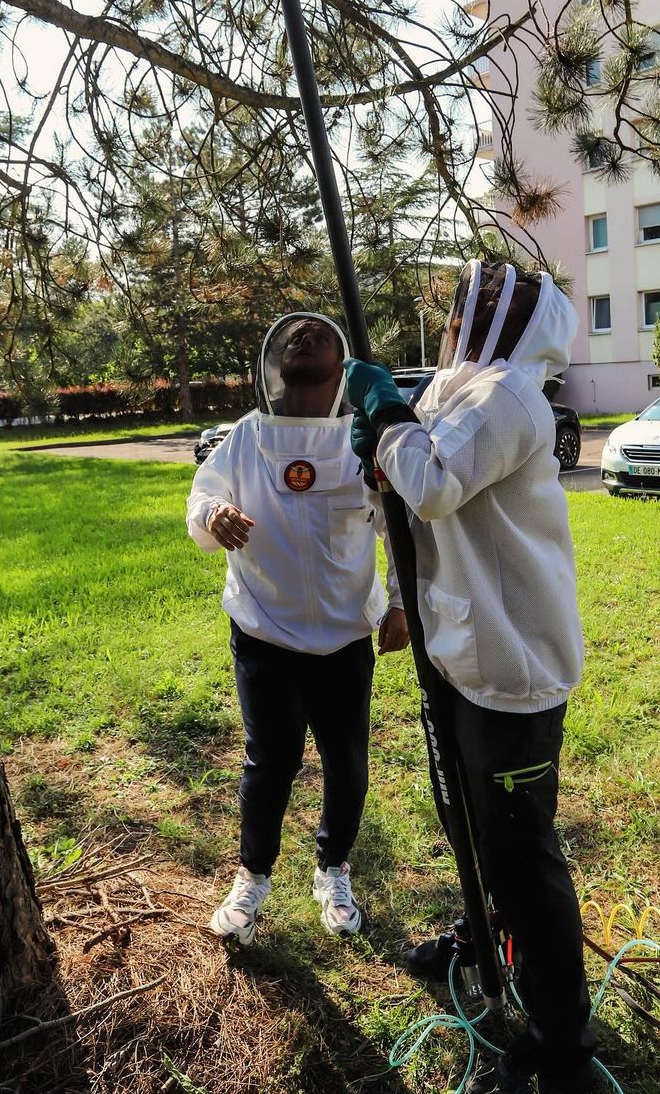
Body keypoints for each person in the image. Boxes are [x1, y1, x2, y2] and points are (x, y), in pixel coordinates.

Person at [343, 262, 599, 1094]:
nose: (458, 313)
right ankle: (482, 933)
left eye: (476, 303)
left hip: (512, 664)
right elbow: (408, 506)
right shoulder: (456, 392)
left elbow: (436, 481)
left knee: (520, 850)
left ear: (512, 318)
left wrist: (386, 419)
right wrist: (376, 445)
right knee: (466, 814)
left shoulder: (510, 393)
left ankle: (560, 1036)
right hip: (460, 650)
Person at [186, 313, 408, 946]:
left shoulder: (361, 441)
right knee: (270, 760)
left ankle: (333, 869)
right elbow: (201, 500)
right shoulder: (245, 438)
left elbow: (396, 524)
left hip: (344, 638)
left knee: (347, 761)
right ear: (272, 365)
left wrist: (398, 604)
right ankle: (252, 876)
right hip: (264, 632)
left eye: (320, 335)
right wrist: (214, 515)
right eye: (292, 337)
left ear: (343, 366)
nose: (303, 338)